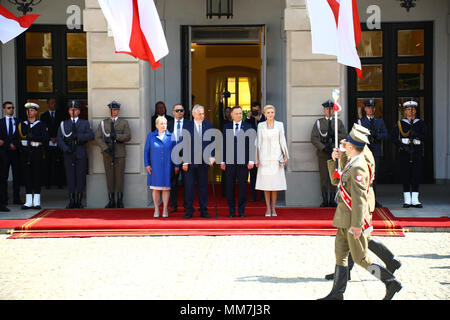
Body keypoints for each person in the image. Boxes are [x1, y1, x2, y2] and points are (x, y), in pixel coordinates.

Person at [319, 128, 402, 300]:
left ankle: (389, 281)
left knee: (361, 259)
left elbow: (358, 200)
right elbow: (336, 180)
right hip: (343, 217)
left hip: (352, 219)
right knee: (340, 254)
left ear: (353, 146)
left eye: (346, 143)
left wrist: (357, 225)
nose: (344, 145)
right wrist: (335, 159)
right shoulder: (351, 161)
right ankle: (337, 293)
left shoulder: (358, 168)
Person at [57, 100, 94, 209]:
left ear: (79, 111)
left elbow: (91, 136)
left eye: (75, 109)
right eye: (71, 109)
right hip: (68, 153)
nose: (73, 111)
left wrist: (78, 137)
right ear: (68, 111)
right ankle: (71, 199)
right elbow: (59, 138)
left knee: (80, 177)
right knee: (70, 177)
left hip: (80, 152)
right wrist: (65, 148)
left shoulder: (84, 123)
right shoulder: (64, 124)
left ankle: (79, 200)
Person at [94, 101, 131, 208]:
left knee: (120, 177)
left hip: (119, 152)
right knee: (109, 177)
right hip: (108, 153)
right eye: (111, 109)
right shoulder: (103, 123)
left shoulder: (124, 122)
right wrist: (105, 148)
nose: (113, 111)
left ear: (118, 111)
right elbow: (97, 137)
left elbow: (128, 136)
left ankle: (120, 199)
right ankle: (111, 199)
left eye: (115, 109)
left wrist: (117, 136)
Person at [391, 100, 427, 208]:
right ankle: (407, 199)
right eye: (408, 109)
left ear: (415, 111)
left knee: (416, 175)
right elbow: (394, 138)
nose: (410, 111)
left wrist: (417, 134)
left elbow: (426, 137)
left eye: (412, 109)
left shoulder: (420, 123)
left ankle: (415, 199)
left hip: (416, 150)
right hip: (405, 151)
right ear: (405, 112)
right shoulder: (400, 124)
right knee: (405, 175)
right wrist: (403, 146)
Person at [220, 106, 255, 217]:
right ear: (231, 115)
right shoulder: (226, 127)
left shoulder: (248, 127)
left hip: (243, 162)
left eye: (240, 113)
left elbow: (251, 145)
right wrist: (222, 161)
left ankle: (241, 210)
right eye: (236, 113)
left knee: (243, 187)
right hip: (229, 162)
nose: (239, 115)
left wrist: (251, 160)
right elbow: (223, 145)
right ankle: (231, 210)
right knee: (229, 187)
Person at [182, 104, 215, 219]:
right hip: (190, 161)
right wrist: (184, 161)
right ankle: (189, 210)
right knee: (189, 187)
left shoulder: (208, 125)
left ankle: (203, 210)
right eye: (200, 113)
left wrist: (212, 156)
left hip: (203, 161)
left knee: (203, 187)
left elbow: (212, 143)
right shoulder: (187, 126)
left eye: (203, 113)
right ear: (193, 114)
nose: (202, 115)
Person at [311, 100, 346, 207]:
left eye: (331, 109)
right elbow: (314, 138)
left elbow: (344, 135)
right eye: (327, 109)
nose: (329, 111)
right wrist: (323, 148)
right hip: (323, 153)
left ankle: (333, 199)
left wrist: (335, 135)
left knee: (334, 175)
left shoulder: (338, 122)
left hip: (335, 153)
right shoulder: (319, 122)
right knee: (324, 177)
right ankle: (325, 200)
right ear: (324, 110)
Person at [255, 105, 289, 217]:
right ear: (264, 114)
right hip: (264, 158)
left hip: (276, 158)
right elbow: (258, 142)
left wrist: (286, 156)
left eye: (272, 112)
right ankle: (267, 208)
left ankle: (274, 208)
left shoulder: (280, 125)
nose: (270, 114)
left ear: (275, 113)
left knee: (275, 185)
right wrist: (257, 158)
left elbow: (282, 140)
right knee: (266, 185)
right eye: (268, 112)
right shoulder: (260, 125)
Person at [144, 116, 178, 218]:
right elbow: (146, 151)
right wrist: (147, 164)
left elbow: (175, 152)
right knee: (155, 188)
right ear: (156, 125)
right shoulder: (151, 136)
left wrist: (176, 165)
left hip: (167, 166)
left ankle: (165, 209)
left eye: (165, 124)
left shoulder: (171, 136)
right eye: (162, 124)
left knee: (166, 188)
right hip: (155, 166)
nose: (164, 126)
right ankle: (156, 209)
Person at [356, 99, 388, 207]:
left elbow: (386, 135)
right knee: (363, 175)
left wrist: (376, 135)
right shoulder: (360, 122)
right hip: (364, 152)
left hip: (375, 151)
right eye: (368, 107)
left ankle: (372, 200)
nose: (371, 109)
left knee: (373, 176)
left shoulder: (380, 121)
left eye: (372, 107)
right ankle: (363, 199)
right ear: (365, 109)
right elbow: (355, 136)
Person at [17, 102, 48, 209]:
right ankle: (28, 201)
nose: (29, 112)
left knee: (37, 176)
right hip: (25, 154)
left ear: (36, 112)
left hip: (36, 153)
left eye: (31, 110)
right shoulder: (22, 125)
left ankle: (36, 201)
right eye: (28, 110)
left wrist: (34, 139)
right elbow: (17, 139)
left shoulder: (41, 124)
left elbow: (45, 138)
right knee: (27, 176)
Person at [167, 104, 191, 213]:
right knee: (173, 182)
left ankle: (187, 205)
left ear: (184, 112)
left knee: (187, 182)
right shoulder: (169, 124)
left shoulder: (189, 124)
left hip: (186, 156)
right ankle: (173, 204)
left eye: (181, 110)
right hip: (173, 156)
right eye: (177, 110)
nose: (179, 112)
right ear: (173, 112)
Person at [40, 97, 67, 189]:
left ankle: (59, 183)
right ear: (47, 104)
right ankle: (47, 183)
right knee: (47, 163)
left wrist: (57, 138)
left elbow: (63, 128)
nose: (54, 104)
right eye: (51, 103)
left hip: (59, 142)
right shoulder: (43, 116)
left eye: (55, 103)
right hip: (48, 143)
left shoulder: (61, 115)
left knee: (59, 163)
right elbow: (43, 130)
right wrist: (50, 138)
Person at [0, 101, 21, 211]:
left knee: (17, 176)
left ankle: (17, 198)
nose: (11, 109)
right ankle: (4, 199)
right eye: (9, 108)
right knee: (3, 176)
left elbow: (21, 136)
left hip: (16, 152)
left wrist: (15, 145)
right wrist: (9, 144)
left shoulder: (18, 121)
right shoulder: (1, 122)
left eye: (12, 107)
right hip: (4, 153)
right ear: (4, 109)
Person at [245, 101, 266, 202]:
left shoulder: (265, 118)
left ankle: (263, 196)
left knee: (262, 174)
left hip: (263, 150)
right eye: (253, 110)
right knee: (252, 174)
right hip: (252, 149)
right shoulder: (250, 119)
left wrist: (258, 118)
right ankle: (253, 195)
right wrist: (249, 117)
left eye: (256, 110)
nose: (255, 112)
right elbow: (245, 128)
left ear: (260, 110)